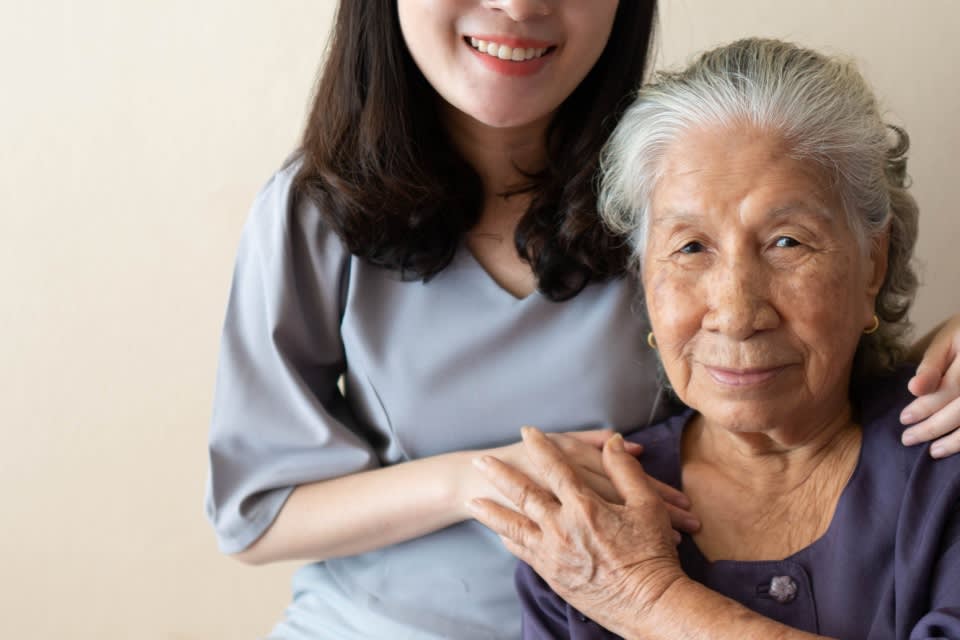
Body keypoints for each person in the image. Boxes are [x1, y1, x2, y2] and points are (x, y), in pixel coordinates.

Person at [205, 1, 960, 637]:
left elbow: (800, 368)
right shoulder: (316, 208)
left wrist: (943, 353)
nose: (521, 4)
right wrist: (483, 483)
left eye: (785, 242)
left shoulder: (684, 166)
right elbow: (254, 509)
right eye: (690, 247)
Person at [469, 38, 960, 639]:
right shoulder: (590, 522)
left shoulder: (945, 466)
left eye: (788, 242)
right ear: (644, 278)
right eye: (690, 248)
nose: (735, 312)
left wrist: (648, 601)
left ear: (872, 266)